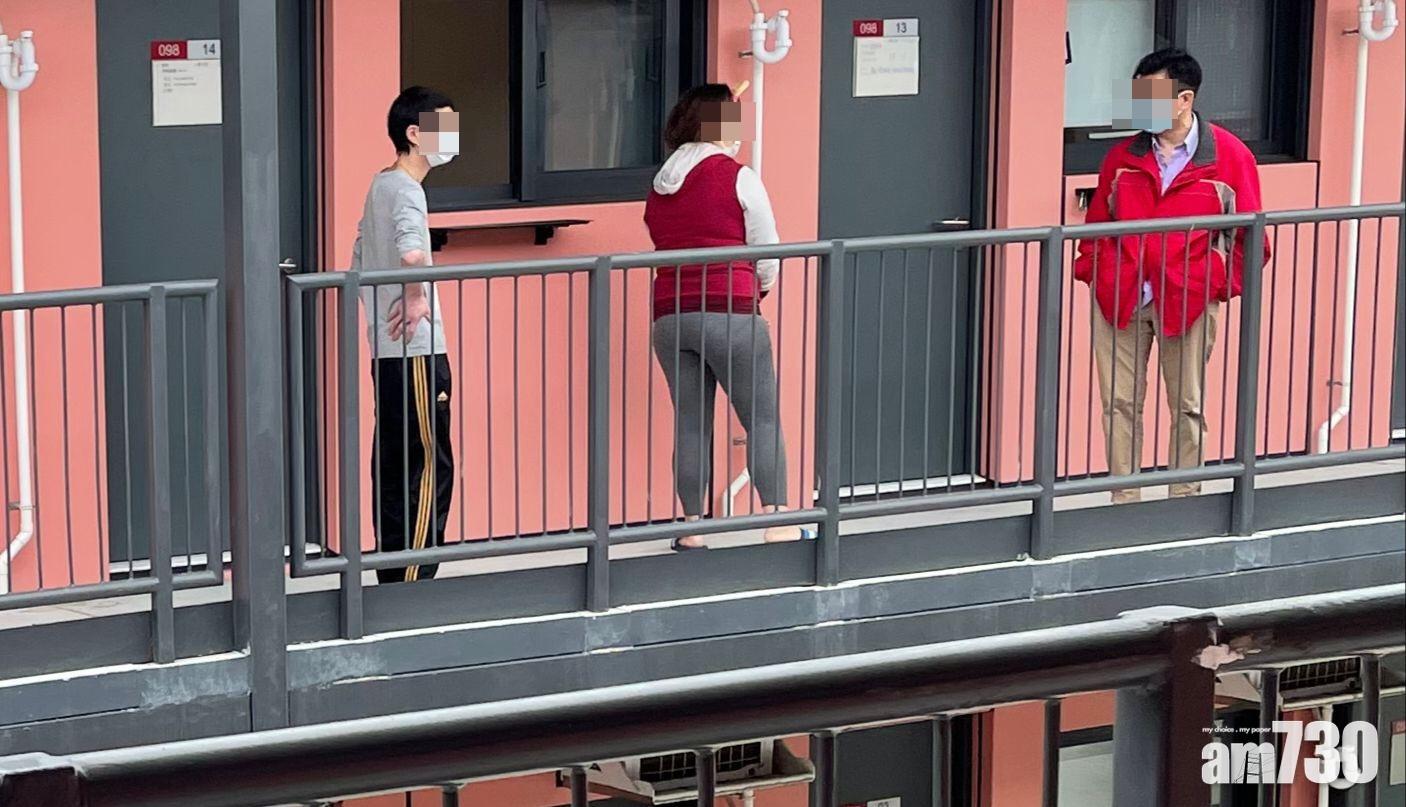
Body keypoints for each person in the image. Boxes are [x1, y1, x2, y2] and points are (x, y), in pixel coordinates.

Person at [1075, 49, 1270, 503]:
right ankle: (1124, 501)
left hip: (1190, 300)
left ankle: (1185, 500)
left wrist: (1215, 284)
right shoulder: (1122, 156)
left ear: (1184, 99)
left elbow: (1252, 238)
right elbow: (1097, 226)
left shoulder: (1230, 157)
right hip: (1120, 298)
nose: (1140, 106)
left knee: (1188, 405)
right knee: (1119, 404)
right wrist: (1097, 271)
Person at [644, 83, 801, 549]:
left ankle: (692, 529)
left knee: (691, 424)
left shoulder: (660, 183)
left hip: (670, 314)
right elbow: (765, 246)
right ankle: (778, 521)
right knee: (762, 418)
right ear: (716, 125)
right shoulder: (737, 176)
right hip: (729, 307)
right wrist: (760, 287)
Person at [352, 86, 458, 581]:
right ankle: (413, 578)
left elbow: (358, 255)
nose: (453, 137)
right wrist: (415, 297)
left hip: (388, 347)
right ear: (415, 134)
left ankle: (394, 573)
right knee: (428, 462)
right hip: (415, 348)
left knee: (395, 459)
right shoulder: (407, 189)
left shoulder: (381, 185)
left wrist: (377, 315)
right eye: (445, 127)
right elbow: (413, 252)